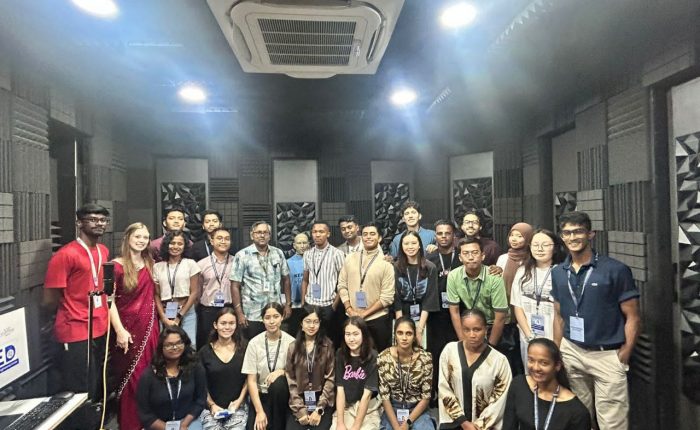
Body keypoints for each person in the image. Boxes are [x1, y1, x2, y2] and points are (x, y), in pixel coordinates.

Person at [551, 211, 640, 430]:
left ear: (591, 234)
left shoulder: (615, 270)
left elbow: (633, 316)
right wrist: (557, 350)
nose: (572, 237)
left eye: (578, 231)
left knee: (612, 422)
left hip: (607, 355)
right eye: (567, 233)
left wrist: (624, 354)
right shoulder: (558, 272)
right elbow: (558, 316)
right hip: (572, 351)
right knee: (580, 417)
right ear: (562, 236)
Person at [43, 203, 110, 400]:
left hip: (100, 325)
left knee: (96, 383)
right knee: (81, 388)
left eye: (103, 220)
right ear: (79, 223)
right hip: (75, 328)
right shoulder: (66, 255)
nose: (99, 223)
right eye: (93, 219)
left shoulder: (103, 250)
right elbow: (49, 299)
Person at [109, 222, 160, 430]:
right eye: (137, 236)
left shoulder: (150, 263)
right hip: (126, 329)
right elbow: (108, 301)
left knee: (149, 374)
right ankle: (130, 423)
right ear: (127, 238)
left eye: (145, 237)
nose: (142, 241)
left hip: (149, 327)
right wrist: (119, 330)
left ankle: (149, 421)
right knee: (131, 376)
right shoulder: (115, 266)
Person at [438, 309, 512, 429]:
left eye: (477, 329)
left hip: (486, 426)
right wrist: (463, 421)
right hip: (453, 423)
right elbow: (444, 388)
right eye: (466, 330)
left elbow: (499, 401)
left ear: (486, 330)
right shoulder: (449, 351)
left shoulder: (499, 361)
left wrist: (478, 426)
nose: (472, 335)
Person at [503, 338, 590, 430]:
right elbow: (509, 425)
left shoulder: (577, 411)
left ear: (557, 365)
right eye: (531, 360)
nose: (536, 368)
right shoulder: (519, 385)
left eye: (544, 363)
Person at [511, 229, 566, 371]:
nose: (539, 249)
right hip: (528, 336)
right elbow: (517, 306)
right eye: (535, 245)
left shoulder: (562, 272)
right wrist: (529, 336)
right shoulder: (522, 271)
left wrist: (556, 342)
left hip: (555, 337)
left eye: (545, 245)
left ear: (555, 248)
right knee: (531, 374)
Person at [337, 222, 395, 352]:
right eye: (365, 234)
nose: (368, 237)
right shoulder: (350, 258)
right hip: (352, 318)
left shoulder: (386, 264)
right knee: (353, 356)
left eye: (372, 234)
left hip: (377, 319)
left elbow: (387, 297)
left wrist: (364, 314)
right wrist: (349, 309)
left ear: (379, 238)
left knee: (379, 357)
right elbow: (341, 285)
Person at [230, 221, 292, 341]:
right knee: (252, 346)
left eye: (265, 232)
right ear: (252, 235)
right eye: (258, 232)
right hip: (251, 314)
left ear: (270, 235)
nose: (262, 235)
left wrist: (288, 304)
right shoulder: (242, 255)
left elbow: (286, 279)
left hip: (274, 313)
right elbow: (234, 285)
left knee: (274, 345)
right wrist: (239, 313)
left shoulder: (278, 253)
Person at [137, 325, 207, 430]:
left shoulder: (195, 367)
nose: (175, 347)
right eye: (169, 345)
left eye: (179, 343)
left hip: (188, 421)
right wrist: (168, 428)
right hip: (159, 425)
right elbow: (145, 413)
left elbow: (200, 400)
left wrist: (184, 424)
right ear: (161, 347)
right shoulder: (148, 376)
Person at [242, 302, 295, 430]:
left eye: (276, 316)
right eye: (267, 317)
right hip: (261, 397)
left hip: (282, 397)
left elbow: (297, 374)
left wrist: (282, 372)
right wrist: (259, 412)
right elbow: (251, 381)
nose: (272, 321)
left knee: (279, 383)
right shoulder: (254, 343)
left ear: (282, 317)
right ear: (262, 320)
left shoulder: (291, 342)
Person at [446, 238, 509, 347]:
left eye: (475, 253)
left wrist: (490, 347)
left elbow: (500, 316)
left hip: (493, 325)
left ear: (482, 256)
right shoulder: (453, 276)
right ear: (460, 258)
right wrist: (463, 343)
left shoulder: (494, 277)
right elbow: (454, 312)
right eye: (466, 253)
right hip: (470, 324)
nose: (470, 257)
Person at [426, 220, 462, 406]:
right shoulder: (429, 258)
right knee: (435, 354)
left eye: (447, 233)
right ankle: (434, 392)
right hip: (435, 315)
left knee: (457, 354)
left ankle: (456, 392)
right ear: (435, 236)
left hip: (459, 313)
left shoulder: (461, 256)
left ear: (453, 236)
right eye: (440, 233)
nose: (444, 237)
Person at [378, 317, 434, 430]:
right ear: (395, 335)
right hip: (393, 409)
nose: (404, 338)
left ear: (414, 336)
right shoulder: (383, 358)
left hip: (417, 409)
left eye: (409, 333)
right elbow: (385, 397)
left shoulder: (425, 358)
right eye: (400, 333)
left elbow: (426, 397)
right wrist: (397, 427)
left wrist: (407, 423)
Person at [285, 307, 335, 430]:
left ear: (320, 324)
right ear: (301, 324)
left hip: (322, 398)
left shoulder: (328, 345)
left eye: (315, 322)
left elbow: (330, 379)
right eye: (308, 321)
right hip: (299, 399)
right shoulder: (293, 347)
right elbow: (291, 381)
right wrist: (300, 410)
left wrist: (319, 409)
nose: (312, 326)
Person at [199, 308, 249, 430]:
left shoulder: (245, 348)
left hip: (238, 408)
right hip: (211, 409)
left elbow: (249, 379)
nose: (227, 327)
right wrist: (211, 405)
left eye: (231, 323)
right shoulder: (204, 352)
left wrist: (239, 401)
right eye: (223, 323)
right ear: (215, 325)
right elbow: (201, 383)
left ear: (236, 325)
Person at [496, 222, 534, 377]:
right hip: (506, 313)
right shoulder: (503, 258)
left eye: (519, 236)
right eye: (512, 235)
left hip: (526, 313)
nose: (514, 239)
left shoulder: (532, 259)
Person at [153, 230, 202, 349]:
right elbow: (156, 295)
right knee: (167, 345)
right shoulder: (157, 267)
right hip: (165, 312)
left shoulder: (190, 264)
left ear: (185, 246)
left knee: (190, 345)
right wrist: (163, 318)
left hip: (187, 311)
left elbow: (194, 292)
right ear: (166, 245)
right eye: (172, 243)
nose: (176, 246)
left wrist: (179, 316)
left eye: (180, 244)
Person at [301, 222, 346, 347]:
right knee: (310, 341)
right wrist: (303, 302)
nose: (317, 235)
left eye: (321, 232)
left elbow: (343, 282)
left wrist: (334, 305)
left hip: (328, 305)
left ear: (328, 234)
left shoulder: (337, 254)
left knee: (329, 342)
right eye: (315, 232)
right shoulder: (307, 254)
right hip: (310, 303)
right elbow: (305, 279)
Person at [333, 316, 381, 430]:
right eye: (348, 334)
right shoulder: (340, 354)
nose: (351, 339)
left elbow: (367, 396)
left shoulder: (373, 356)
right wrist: (340, 423)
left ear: (363, 334)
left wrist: (356, 426)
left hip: (368, 409)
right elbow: (340, 390)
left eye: (355, 334)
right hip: (346, 406)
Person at [393, 231, 439, 345]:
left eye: (413, 243)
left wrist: (420, 329)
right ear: (401, 246)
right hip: (402, 313)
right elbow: (396, 299)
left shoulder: (430, 267)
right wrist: (400, 326)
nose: (410, 247)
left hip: (424, 316)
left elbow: (430, 299)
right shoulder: (395, 267)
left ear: (419, 245)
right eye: (406, 243)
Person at [197, 227, 234, 349]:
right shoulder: (201, 264)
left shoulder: (236, 262)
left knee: (229, 343)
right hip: (208, 310)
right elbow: (198, 291)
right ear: (212, 241)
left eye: (227, 239)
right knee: (207, 344)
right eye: (219, 238)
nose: (223, 241)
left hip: (229, 308)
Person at [287, 232, 310, 337]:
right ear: (294, 245)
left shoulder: (313, 260)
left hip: (310, 303)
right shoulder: (288, 262)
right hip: (295, 305)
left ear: (308, 244)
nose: (302, 246)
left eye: (304, 243)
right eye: (299, 243)